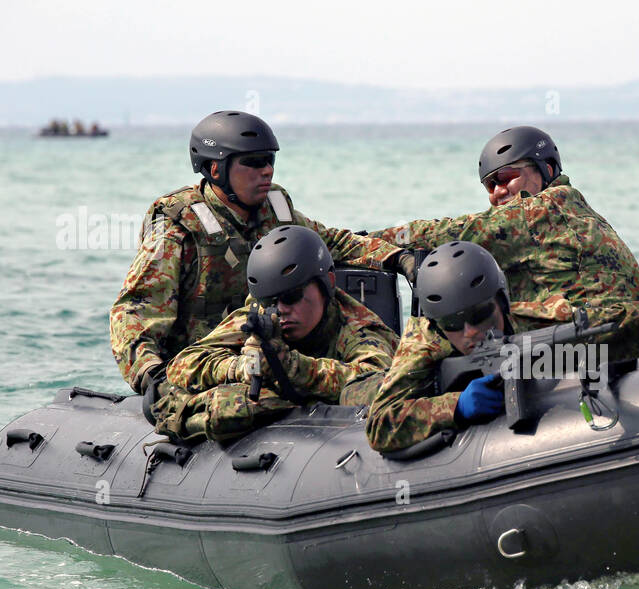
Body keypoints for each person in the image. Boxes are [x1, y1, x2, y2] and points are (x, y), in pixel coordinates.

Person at [365, 241, 639, 453]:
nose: (470, 332)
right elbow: (379, 423)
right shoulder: (423, 343)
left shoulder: (539, 320)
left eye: (480, 316)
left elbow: (629, 323)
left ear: (503, 302)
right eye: (455, 324)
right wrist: (454, 406)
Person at [110, 110, 412, 398]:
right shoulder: (179, 227)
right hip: (205, 365)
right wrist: (150, 374)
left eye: (269, 160)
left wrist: (397, 258)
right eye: (253, 162)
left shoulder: (275, 209)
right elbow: (136, 309)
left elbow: (331, 243)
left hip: (273, 349)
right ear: (217, 169)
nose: (266, 170)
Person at [365, 126, 639, 329]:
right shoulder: (575, 211)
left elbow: (443, 233)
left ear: (547, 169)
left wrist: (359, 241)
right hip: (610, 335)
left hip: (593, 340)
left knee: (450, 327)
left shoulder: (541, 211)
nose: (498, 191)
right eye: (490, 185)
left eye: (506, 177)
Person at [152, 226, 398, 443]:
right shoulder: (262, 315)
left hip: (343, 429)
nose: (281, 310)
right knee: (235, 406)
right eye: (270, 300)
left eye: (292, 297)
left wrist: (293, 367)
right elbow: (181, 365)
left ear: (327, 284)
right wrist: (239, 368)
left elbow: (378, 383)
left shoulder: (358, 327)